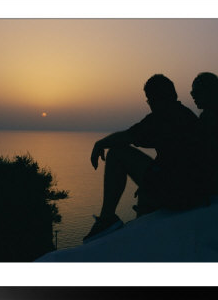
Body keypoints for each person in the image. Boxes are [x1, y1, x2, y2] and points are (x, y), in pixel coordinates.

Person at [83, 74, 205, 243]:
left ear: (155, 98)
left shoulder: (163, 116)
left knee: (117, 154)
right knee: (150, 178)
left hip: (179, 193)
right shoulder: (186, 115)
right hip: (193, 190)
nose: (150, 104)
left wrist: (100, 143)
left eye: (149, 100)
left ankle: (106, 219)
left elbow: (128, 137)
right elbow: (175, 158)